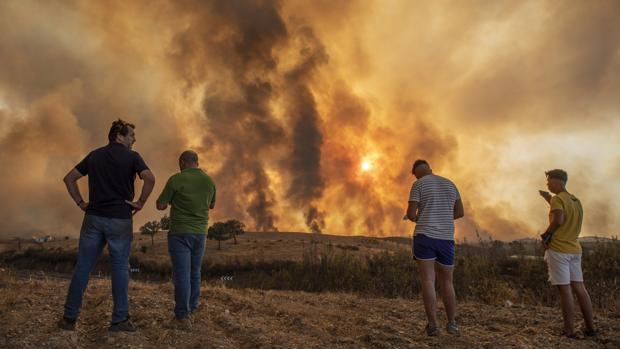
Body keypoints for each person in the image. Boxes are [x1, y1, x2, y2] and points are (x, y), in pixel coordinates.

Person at [58, 119, 155, 332]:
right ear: (119, 135)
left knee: (83, 266)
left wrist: (81, 203)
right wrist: (140, 203)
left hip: (93, 218)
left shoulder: (95, 155)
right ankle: (119, 320)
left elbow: (69, 179)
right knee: (120, 268)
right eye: (131, 136)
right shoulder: (133, 157)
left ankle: (68, 318)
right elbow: (149, 178)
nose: (134, 140)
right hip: (120, 218)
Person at [156, 150, 216, 330]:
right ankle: (192, 306)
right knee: (195, 272)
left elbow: (160, 205)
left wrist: (174, 201)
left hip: (180, 233)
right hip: (200, 233)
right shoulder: (209, 181)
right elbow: (211, 205)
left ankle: (182, 316)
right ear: (197, 162)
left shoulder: (176, 179)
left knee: (182, 274)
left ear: (182, 162)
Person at [404, 159, 464, 336]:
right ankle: (452, 324)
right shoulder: (450, 184)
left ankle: (433, 326)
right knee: (447, 281)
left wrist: (420, 217)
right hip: (446, 239)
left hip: (425, 237)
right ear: (430, 169)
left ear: (416, 173)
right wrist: (442, 218)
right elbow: (460, 212)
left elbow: (410, 214)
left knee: (428, 280)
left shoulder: (418, 185)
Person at [539, 169, 597, 339]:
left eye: (549, 181)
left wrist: (546, 236)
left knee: (565, 291)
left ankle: (569, 331)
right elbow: (563, 210)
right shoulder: (575, 200)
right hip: (574, 249)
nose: (547, 184)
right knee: (580, 288)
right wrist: (547, 198)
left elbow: (558, 219)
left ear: (559, 181)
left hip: (559, 250)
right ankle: (590, 328)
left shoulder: (558, 199)